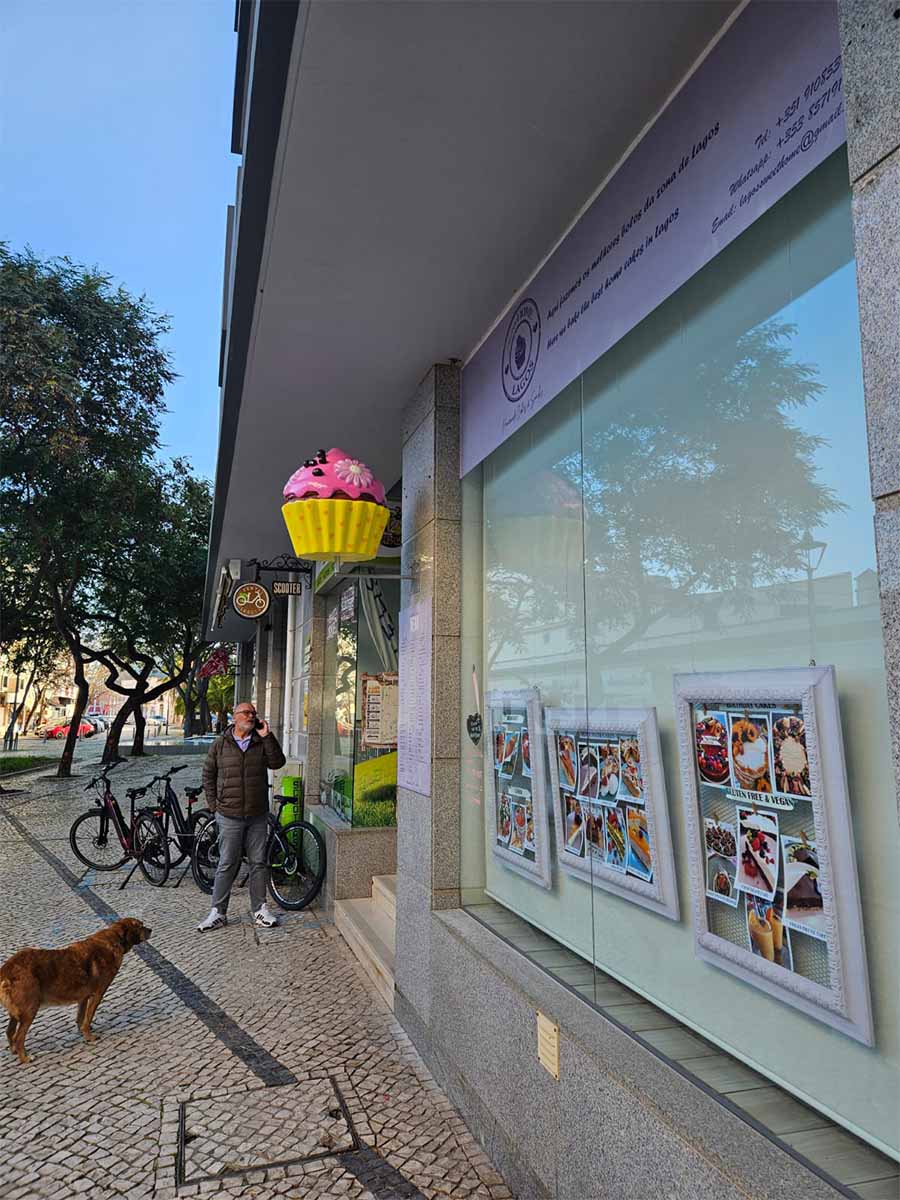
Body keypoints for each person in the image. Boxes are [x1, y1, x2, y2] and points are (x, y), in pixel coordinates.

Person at [196, 702, 286, 932]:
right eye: (246, 713)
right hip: (229, 814)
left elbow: (278, 763)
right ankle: (218, 912)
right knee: (227, 862)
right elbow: (208, 774)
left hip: (257, 814)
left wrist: (267, 736)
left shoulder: (260, 742)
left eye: (254, 713)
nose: (251, 716)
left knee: (258, 862)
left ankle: (260, 909)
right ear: (234, 717)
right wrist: (214, 805)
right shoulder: (220, 744)